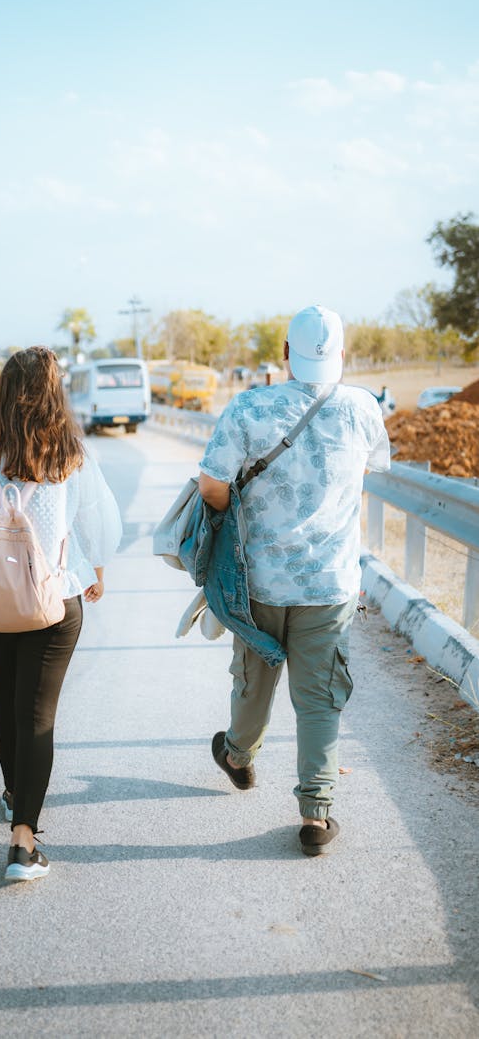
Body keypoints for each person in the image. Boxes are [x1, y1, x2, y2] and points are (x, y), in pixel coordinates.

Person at [198, 306, 390, 855]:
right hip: (329, 586)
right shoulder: (362, 408)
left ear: (286, 353)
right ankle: (315, 814)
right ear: (343, 356)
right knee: (320, 698)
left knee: (254, 676)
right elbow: (373, 468)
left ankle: (237, 755)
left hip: (259, 581)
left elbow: (212, 486)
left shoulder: (248, 407)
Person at [0, 346, 122, 881]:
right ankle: (23, 843)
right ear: (56, 394)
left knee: (7, 699)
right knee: (37, 711)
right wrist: (96, 571)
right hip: (56, 602)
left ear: (2, 391)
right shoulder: (71, 452)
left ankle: (16, 794)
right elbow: (98, 524)